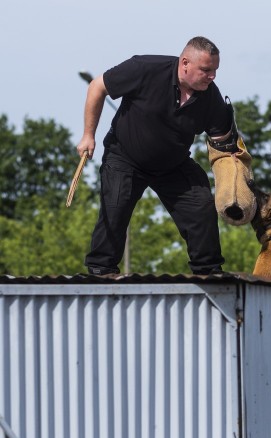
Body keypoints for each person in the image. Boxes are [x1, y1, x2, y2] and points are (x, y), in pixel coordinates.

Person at [76, 36, 238, 275]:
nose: (212, 76)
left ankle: (208, 271)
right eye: (206, 70)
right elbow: (97, 87)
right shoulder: (144, 69)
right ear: (185, 63)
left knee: (201, 203)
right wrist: (88, 135)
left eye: (215, 70)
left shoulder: (211, 97)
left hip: (173, 164)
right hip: (125, 156)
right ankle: (101, 270)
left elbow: (224, 142)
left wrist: (234, 175)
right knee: (115, 207)